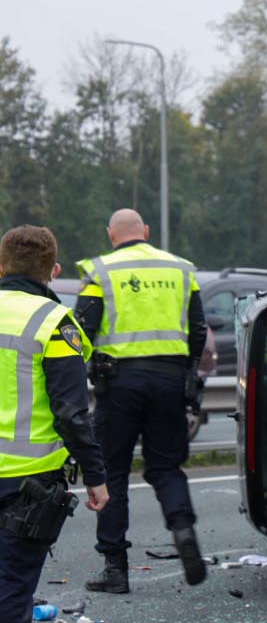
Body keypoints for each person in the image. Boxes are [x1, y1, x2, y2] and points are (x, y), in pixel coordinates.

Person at [0, 226, 108, 623]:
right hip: (24, 484)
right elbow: (71, 411)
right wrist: (97, 475)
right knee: (11, 595)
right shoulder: (53, 321)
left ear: (1, 265)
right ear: (54, 272)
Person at [74, 209, 208, 592]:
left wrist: (88, 369)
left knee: (112, 472)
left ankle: (115, 569)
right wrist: (190, 375)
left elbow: (81, 328)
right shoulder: (180, 269)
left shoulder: (101, 271)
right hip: (169, 381)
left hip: (119, 385)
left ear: (110, 235)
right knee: (166, 468)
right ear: (146, 232)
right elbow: (197, 328)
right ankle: (183, 530)